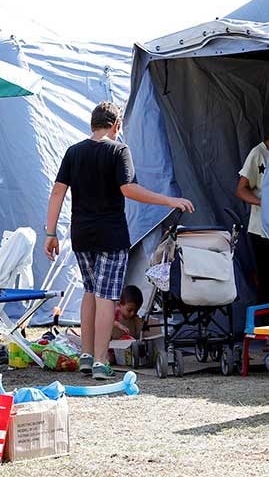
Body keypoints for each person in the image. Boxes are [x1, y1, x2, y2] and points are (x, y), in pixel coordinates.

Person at [45, 101, 194, 380]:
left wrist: (50, 232)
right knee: (106, 297)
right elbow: (129, 189)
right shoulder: (119, 150)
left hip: (81, 234)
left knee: (89, 292)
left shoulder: (73, 152)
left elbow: (57, 193)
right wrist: (168, 200)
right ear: (116, 126)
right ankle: (101, 361)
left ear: (92, 125)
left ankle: (87, 357)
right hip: (110, 235)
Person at [236, 130, 269, 304]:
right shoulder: (259, 153)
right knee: (266, 280)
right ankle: (265, 325)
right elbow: (241, 189)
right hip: (262, 228)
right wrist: (262, 203)